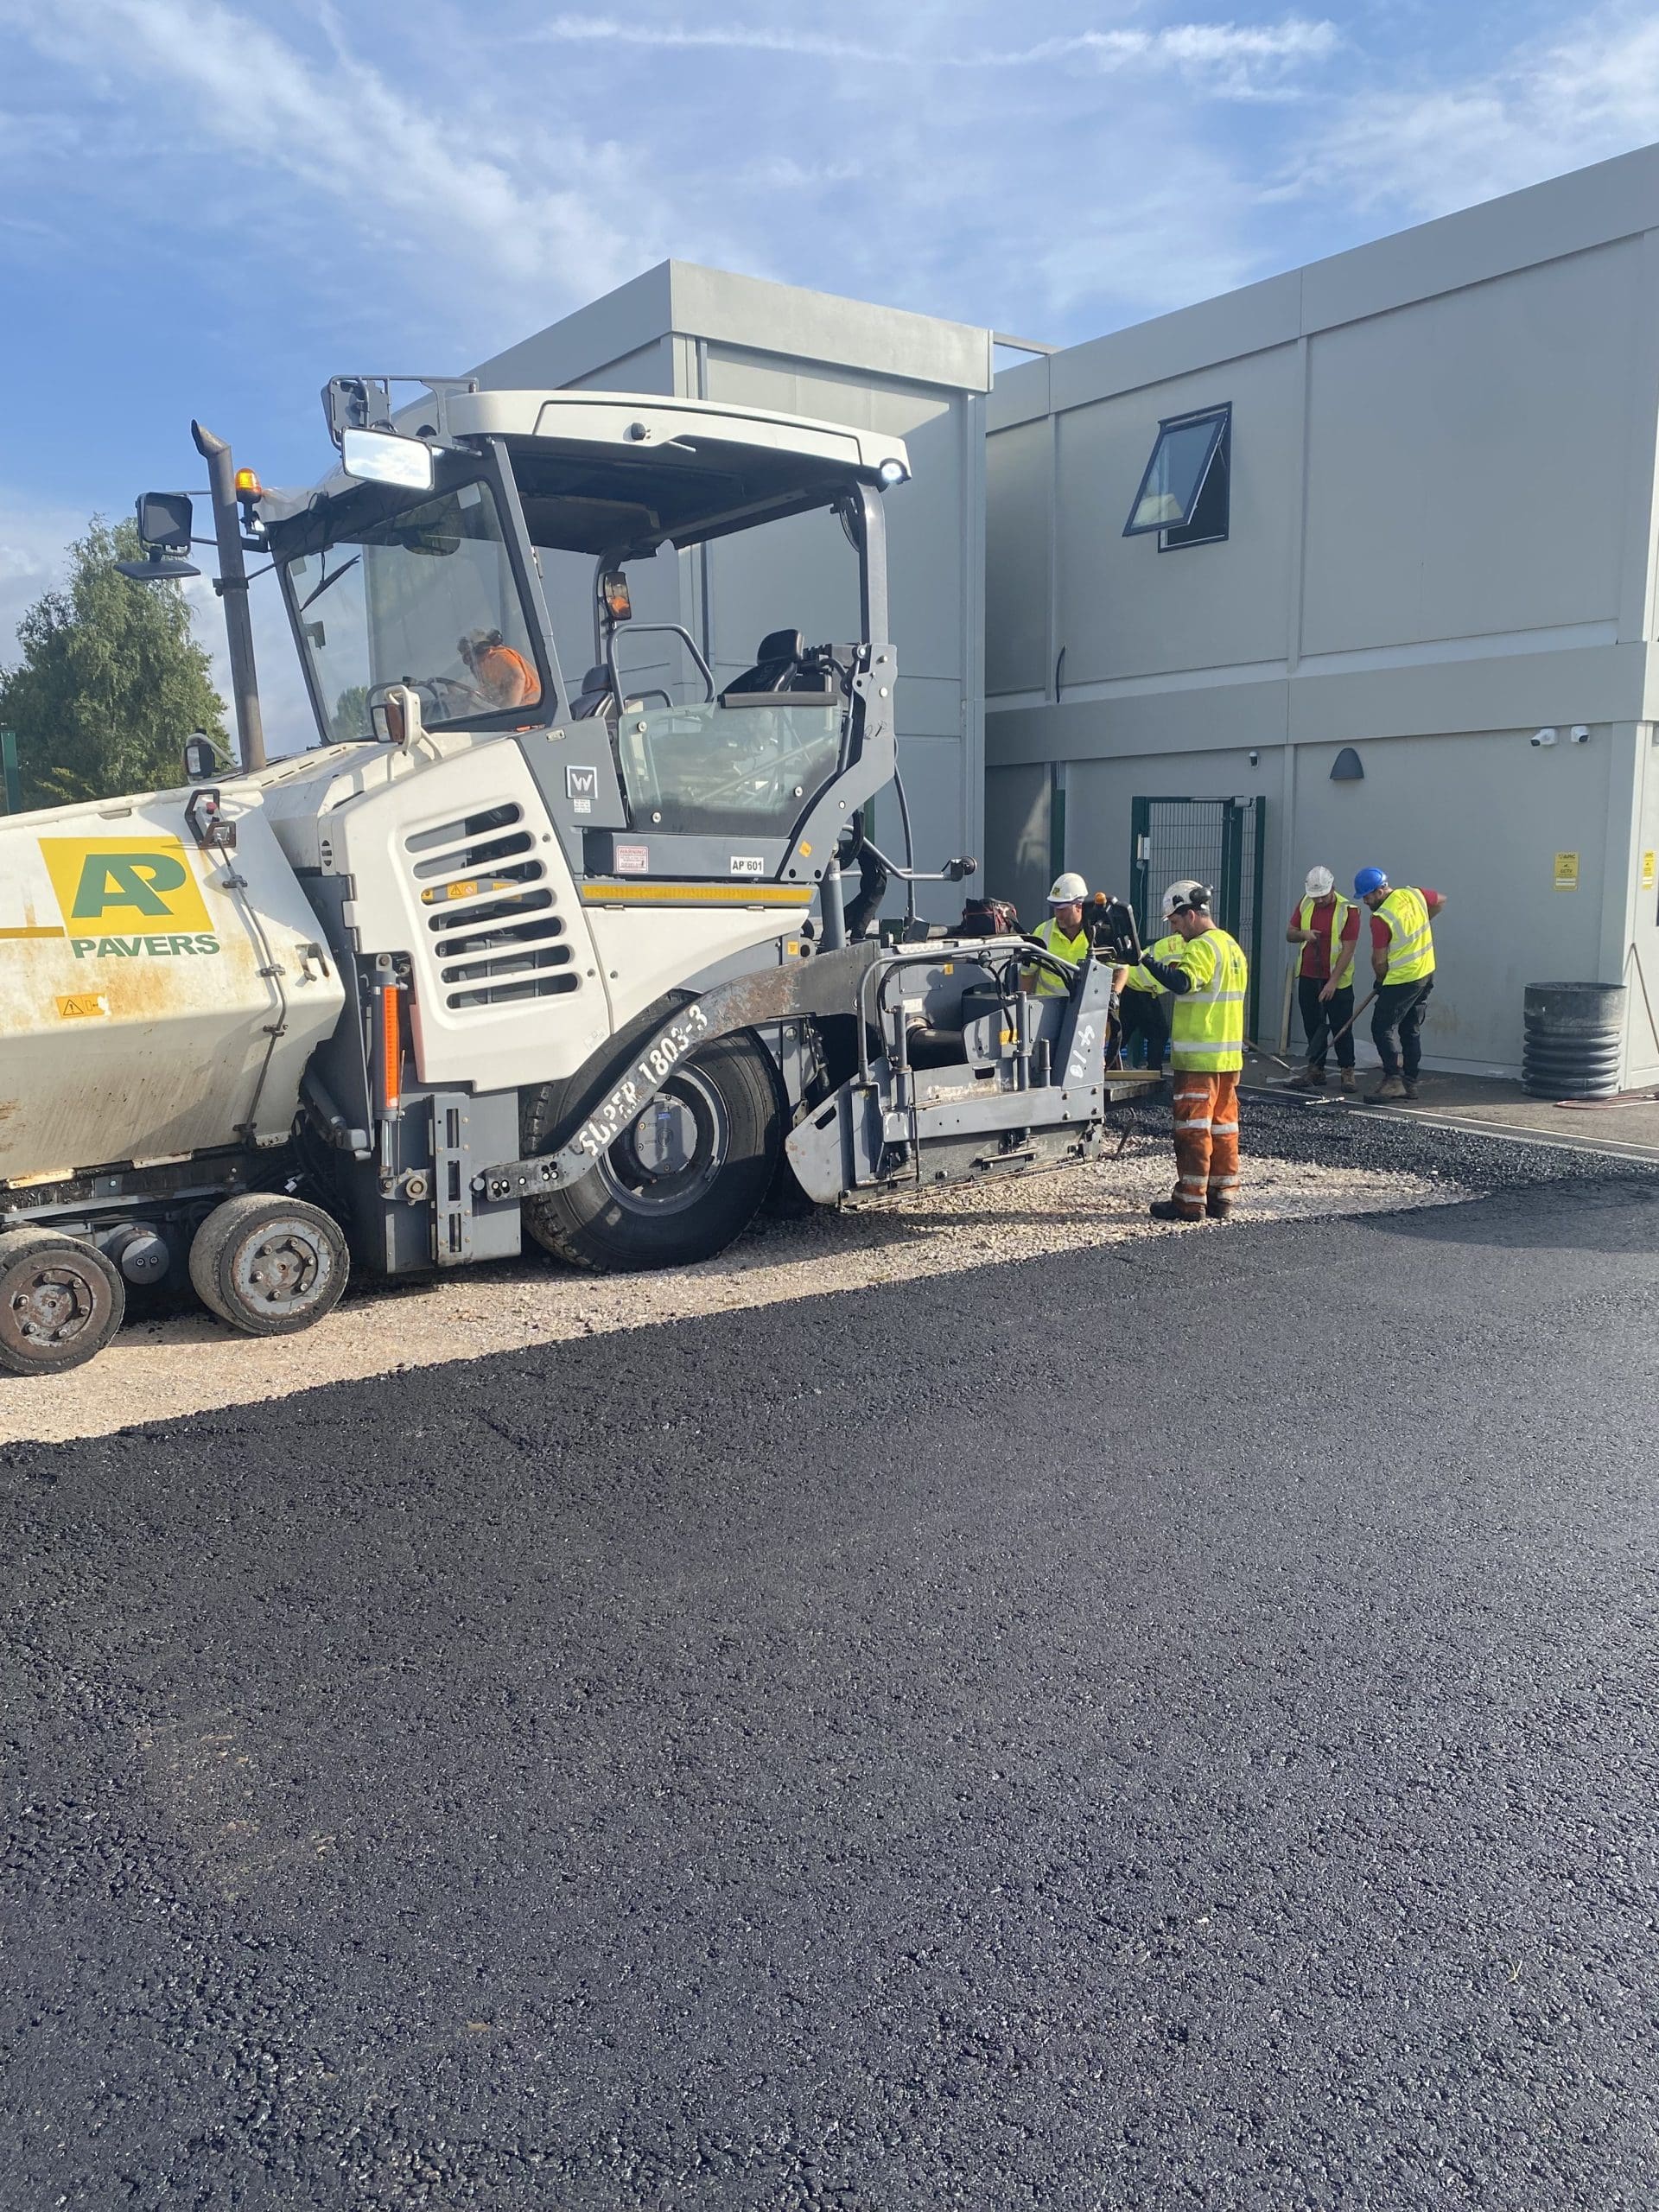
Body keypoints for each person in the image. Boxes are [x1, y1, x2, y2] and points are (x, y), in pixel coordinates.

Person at [1137, 880, 1248, 1222]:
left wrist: (1144, 960)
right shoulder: (1231, 946)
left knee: (1192, 1130)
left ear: (1189, 914)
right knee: (1224, 1128)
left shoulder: (1201, 947)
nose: (1175, 929)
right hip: (1228, 1059)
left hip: (1198, 1058)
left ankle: (1190, 1201)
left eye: (1174, 921)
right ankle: (1222, 1197)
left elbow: (1183, 982)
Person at [1354, 867, 1446, 1101]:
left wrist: (1380, 980)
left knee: (1381, 1027)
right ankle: (1410, 1082)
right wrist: (1422, 923)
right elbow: (1440, 900)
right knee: (1410, 1029)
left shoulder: (1381, 918)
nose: (1365, 901)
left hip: (1402, 979)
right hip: (1426, 973)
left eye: (1368, 896)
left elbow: (1379, 960)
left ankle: (1393, 1079)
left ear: (1381, 890)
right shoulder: (1413, 894)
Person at [1283, 865, 1361, 1093]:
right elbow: (1290, 933)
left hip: (1337, 980)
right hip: (1309, 975)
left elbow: (1348, 950)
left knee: (1341, 1026)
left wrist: (1333, 982)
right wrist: (1304, 935)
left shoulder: (1349, 910)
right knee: (1313, 1025)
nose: (1318, 901)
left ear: (1332, 889)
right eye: (1315, 896)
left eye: (1322, 896)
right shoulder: (1305, 903)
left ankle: (1347, 1070)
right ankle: (1316, 1068)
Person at [1116, 925, 1181, 1074]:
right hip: (1139, 986)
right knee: (1158, 1032)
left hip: (1133, 982)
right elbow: (1179, 977)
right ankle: (1154, 1073)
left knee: (1125, 1030)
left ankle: (1105, 1065)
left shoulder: (1176, 941)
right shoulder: (1190, 945)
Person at [1021, 873, 1092, 995]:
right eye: (1055, 908)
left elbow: (1120, 969)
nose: (1058, 915)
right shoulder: (1042, 931)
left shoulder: (1095, 933)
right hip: (1047, 1010)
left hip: (1085, 1011)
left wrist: (1114, 997)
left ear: (1079, 907)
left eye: (1063, 909)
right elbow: (1027, 973)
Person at [459, 628, 540, 711]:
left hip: (529, 711)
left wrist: (506, 714)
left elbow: (517, 678)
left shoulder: (496, 657)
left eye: (468, 655)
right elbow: (490, 693)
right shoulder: (484, 667)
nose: (470, 663)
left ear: (481, 649)